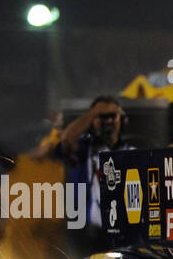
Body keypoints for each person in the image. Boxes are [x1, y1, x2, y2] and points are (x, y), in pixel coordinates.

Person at [57, 94, 135, 238]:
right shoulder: (86, 148)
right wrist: (94, 112)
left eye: (113, 115)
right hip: (92, 231)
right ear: (92, 121)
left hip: (126, 228)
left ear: (123, 120)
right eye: (103, 117)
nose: (109, 121)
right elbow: (67, 141)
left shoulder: (133, 152)